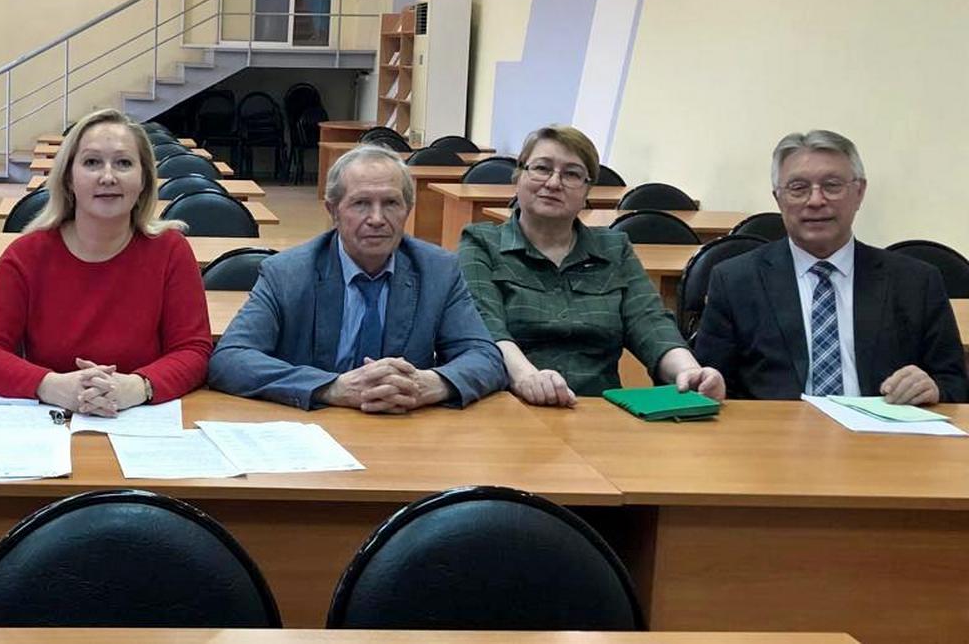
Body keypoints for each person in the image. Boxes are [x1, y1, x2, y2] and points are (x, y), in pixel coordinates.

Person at [208, 145, 505, 411]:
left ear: (408, 210)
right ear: (333, 211)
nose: (377, 219)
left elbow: (485, 357)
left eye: (391, 203)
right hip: (315, 427)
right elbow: (230, 359)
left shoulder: (438, 270)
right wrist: (331, 388)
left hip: (404, 429)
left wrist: (430, 384)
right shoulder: (287, 273)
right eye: (361, 203)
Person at [0, 108, 212, 415]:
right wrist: (50, 385)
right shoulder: (26, 255)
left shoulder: (171, 251)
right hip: (51, 421)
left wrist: (138, 386)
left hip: (140, 420)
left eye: (123, 163)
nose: (108, 177)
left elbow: (194, 351)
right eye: (92, 162)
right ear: (68, 178)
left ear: (144, 180)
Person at [458, 125, 724, 406]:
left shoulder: (614, 249)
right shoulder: (482, 243)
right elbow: (485, 324)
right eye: (541, 168)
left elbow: (650, 321)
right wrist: (527, 378)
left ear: (588, 190)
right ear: (519, 176)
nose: (553, 183)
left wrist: (688, 371)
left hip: (598, 408)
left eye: (572, 174)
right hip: (509, 403)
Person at [693, 130, 966, 402]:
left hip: (882, 427)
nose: (816, 201)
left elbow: (955, 383)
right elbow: (710, 385)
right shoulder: (734, 281)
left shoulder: (916, 282)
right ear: (778, 199)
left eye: (832, 185)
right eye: (798, 188)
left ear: (859, 193)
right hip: (775, 428)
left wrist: (934, 389)